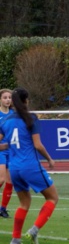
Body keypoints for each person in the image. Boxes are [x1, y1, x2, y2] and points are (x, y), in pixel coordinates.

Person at [0, 87, 58, 244]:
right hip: (30, 166)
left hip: (15, 168)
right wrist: (49, 159)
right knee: (52, 197)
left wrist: (5, 147)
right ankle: (34, 230)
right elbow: (38, 145)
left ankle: (15, 240)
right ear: (26, 100)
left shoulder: (6, 121)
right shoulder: (31, 118)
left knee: (24, 203)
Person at [0, 89, 14, 218]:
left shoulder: (13, 114)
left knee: (10, 181)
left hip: (11, 150)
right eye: (5, 97)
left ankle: (2, 209)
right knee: (2, 179)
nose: (8, 100)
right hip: (0, 151)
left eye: (9, 97)